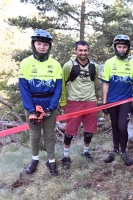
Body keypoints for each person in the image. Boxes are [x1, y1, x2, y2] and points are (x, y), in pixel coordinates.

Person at [18, 29, 62, 176]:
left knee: (49, 134)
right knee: (34, 134)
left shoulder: (55, 64)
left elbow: (58, 88)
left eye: (45, 44)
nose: (42, 47)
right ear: (34, 44)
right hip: (32, 102)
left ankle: (51, 161)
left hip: (49, 102)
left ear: (49, 46)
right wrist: (31, 109)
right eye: (39, 44)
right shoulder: (25, 63)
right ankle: (35, 159)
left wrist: (52, 106)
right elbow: (23, 88)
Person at [102, 34, 133, 166]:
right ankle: (115, 150)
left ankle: (123, 151)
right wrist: (104, 102)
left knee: (122, 127)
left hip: (126, 100)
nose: (122, 49)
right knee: (114, 125)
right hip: (112, 100)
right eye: (119, 46)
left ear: (128, 48)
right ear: (115, 47)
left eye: (124, 47)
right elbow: (105, 83)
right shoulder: (109, 63)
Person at [59, 40, 99, 169]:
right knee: (70, 130)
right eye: (80, 50)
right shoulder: (68, 66)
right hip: (74, 102)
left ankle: (85, 152)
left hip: (90, 101)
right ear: (75, 51)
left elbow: (95, 83)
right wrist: (63, 101)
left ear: (88, 51)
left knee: (89, 129)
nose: (83, 53)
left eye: (85, 50)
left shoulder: (94, 66)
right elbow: (62, 85)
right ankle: (66, 156)